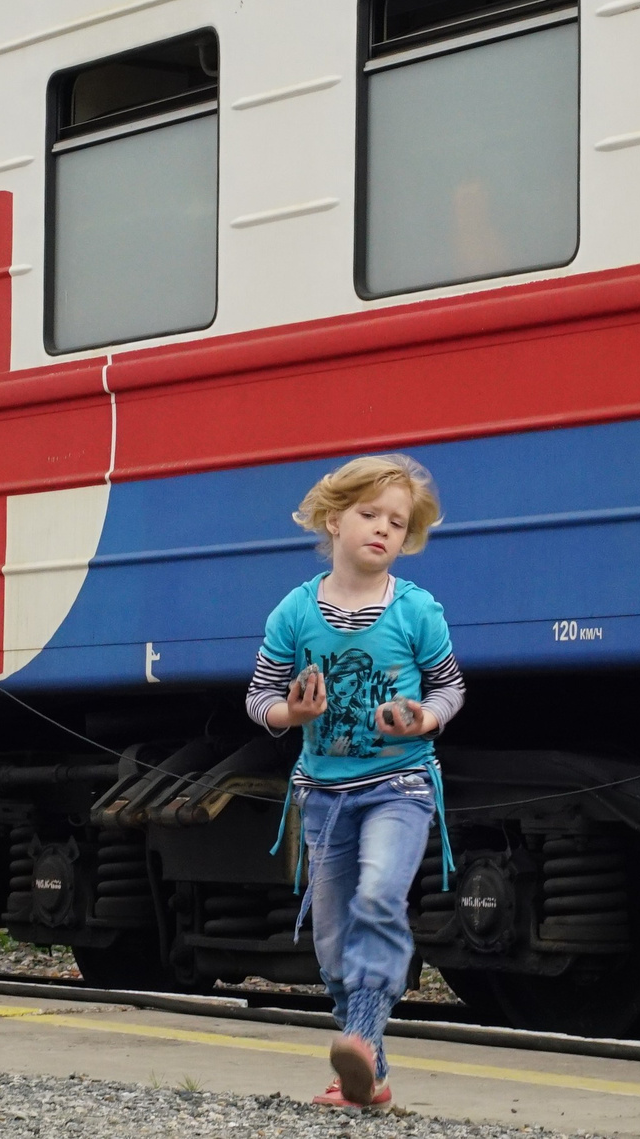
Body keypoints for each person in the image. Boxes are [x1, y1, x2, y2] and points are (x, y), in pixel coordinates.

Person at [246, 454, 464, 1110]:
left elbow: (450, 687)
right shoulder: (294, 612)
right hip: (323, 792)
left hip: (400, 783)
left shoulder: (417, 611)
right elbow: (259, 697)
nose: (382, 529)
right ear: (334, 518)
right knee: (332, 942)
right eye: (369, 514)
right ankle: (370, 1076)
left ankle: (360, 1043)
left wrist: (424, 714)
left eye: (396, 522)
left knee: (378, 896)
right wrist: (294, 713)